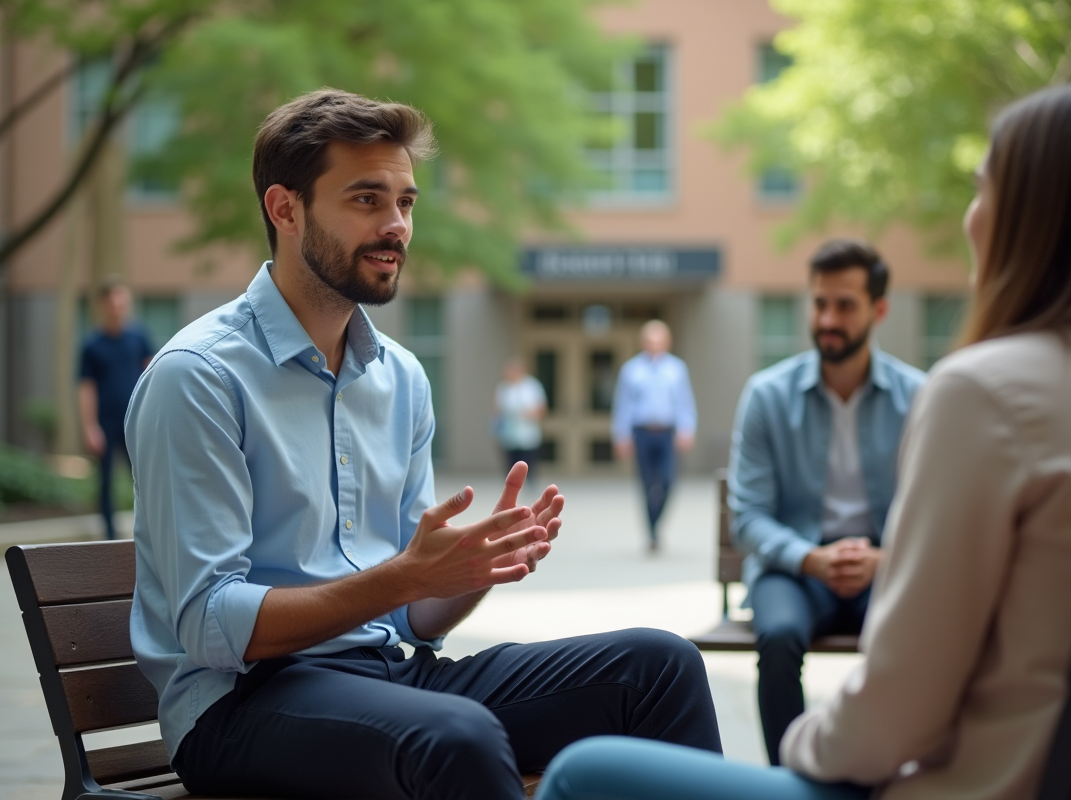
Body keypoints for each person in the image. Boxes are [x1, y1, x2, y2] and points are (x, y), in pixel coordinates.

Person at [532, 77, 1071, 800]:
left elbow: (894, 715)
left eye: (982, 191)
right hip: (1069, 770)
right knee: (776, 632)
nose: (970, 218)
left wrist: (800, 751)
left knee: (581, 771)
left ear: (1034, 217)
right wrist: (814, 560)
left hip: (967, 783)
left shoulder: (978, 391)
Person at [125, 89, 721, 800]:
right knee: (454, 736)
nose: (397, 225)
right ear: (285, 209)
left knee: (660, 666)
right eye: (367, 200)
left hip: (385, 674)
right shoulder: (199, 377)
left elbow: (411, 617)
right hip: (239, 706)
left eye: (406, 202)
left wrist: (465, 571)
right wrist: (406, 577)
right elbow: (210, 626)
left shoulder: (400, 377)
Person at [730, 239, 926, 765]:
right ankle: (786, 781)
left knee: (921, 633)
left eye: (844, 305)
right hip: (795, 567)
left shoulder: (920, 398)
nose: (827, 319)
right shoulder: (767, 395)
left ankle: (892, 773)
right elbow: (747, 516)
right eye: (819, 303)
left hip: (887, 564)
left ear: (878, 310)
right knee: (777, 638)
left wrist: (886, 559)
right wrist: (810, 558)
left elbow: (937, 513)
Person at [611, 320, 697, 552]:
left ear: (667, 342)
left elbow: (684, 402)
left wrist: (686, 428)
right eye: (650, 340)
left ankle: (656, 524)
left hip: (667, 433)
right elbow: (623, 404)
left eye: (658, 340)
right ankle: (651, 533)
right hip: (642, 433)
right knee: (648, 484)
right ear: (643, 343)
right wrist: (621, 435)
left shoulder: (677, 369)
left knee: (668, 482)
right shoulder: (631, 370)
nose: (654, 345)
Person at [77, 277, 153, 539]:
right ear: (103, 305)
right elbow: (86, 388)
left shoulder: (138, 337)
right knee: (106, 482)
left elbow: (152, 372)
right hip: (106, 423)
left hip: (135, 420)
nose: (118, 307)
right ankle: (109, 536)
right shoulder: (92, 345)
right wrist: (90, 427)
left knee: (145, 478)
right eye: (113, 302)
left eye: (122, 301)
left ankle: (149, 531)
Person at [494, 356, 547, 476]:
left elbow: (541, 409)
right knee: (510, 465)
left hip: (527, 434)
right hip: (508, 434)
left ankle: (530, 486)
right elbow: (497, 410)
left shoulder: (532, 386)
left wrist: (529, 414)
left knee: (527, 464)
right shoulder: (504, 388)